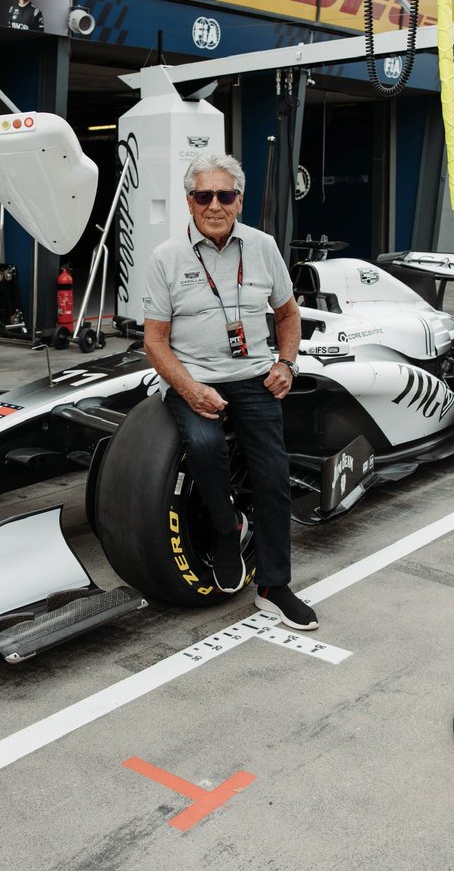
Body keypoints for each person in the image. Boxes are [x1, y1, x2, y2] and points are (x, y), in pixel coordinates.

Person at [142, 151, 318, 630]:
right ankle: (227, 529)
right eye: (204, 195)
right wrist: (190, 388)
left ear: (239, 201)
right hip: (193, 378)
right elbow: (154, 340)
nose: (214, 205)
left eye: (225, 195)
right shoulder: (165, 258)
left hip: (255, 378)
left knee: (274, 476)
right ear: (189, 201)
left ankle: (274, 586)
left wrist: (286, 364)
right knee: (204, 446)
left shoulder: (262, 247)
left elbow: (287, 315)